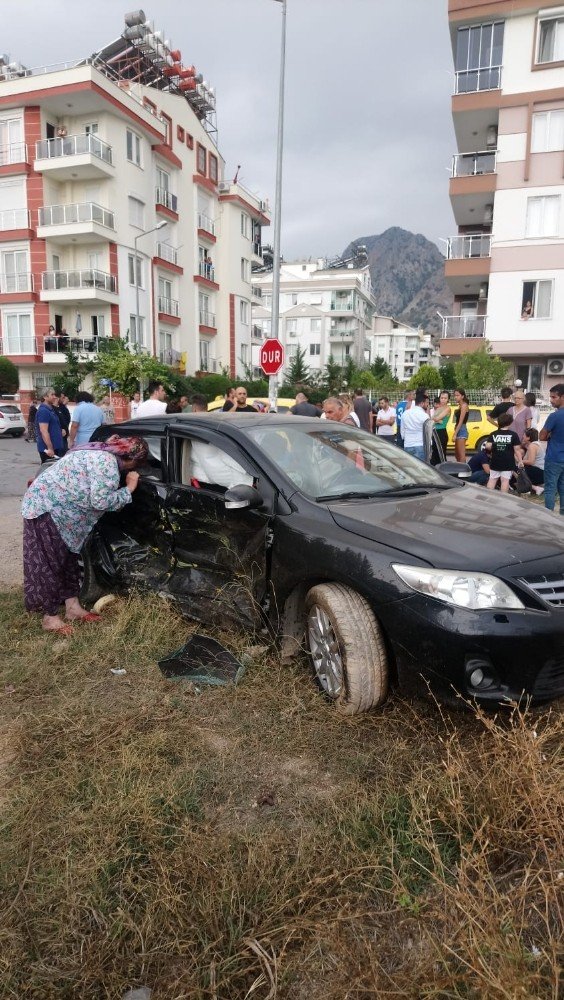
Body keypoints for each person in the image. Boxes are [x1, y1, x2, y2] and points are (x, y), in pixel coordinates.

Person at [21, 435, 148, 634]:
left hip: (63, 514)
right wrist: (129, 488)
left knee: (68, 561)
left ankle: (73, 608)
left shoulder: (99, 449)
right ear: (132, 460)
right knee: (51, 564)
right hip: (47, 510)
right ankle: (50, 618)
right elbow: (101, 501)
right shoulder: (107, 463)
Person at [540, 383, 564, 514]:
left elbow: (542, 436)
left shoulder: (554, 416)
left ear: (562, 397)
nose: (551, 400)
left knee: (550, 488)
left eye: (554, 397)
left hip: (554, 458)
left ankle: (548, 516)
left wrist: (550, 434)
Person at [486, 412, 523, 494]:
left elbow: (488, 446)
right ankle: (503, 498)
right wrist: (520, 461)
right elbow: (517, 450)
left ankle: (488, 496)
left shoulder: (493, 434)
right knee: (505, 481)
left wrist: (494, 447)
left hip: (495, 461)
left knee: (492, 479)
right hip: (508, 461)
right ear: (510, 423)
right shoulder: (513, 435)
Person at [36, 388, 65, 463]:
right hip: (48, 449)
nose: (55, 397)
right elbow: (44, 431)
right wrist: (50, 448)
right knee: (48, 472)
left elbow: (52, 425)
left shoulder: (50, 409)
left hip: (55, 447)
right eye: (52, 395)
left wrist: (60, 430)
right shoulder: (43, 411)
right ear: (45, 397)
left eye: (54, 394)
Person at [400, 389, 430, 461]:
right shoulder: (425, 416)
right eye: (427, 403)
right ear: (422, 403)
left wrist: (406, 439)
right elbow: (428, 432)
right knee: (421, 469)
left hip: (408, 445)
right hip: (421, 445)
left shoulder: (405, 413)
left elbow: (402, 430)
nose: (428, 405)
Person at [521, 427, 545, 494]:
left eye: (524, 435)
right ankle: (532, 487)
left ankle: (532, 487)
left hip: (539, 472)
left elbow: (531, 462)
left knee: (516, 469)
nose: (523, 436)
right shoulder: (535, 444)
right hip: (540, 471)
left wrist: (520, 461)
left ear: (528, 438)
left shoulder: (533, 446)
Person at [452, 388, 470, 463]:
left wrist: (455, 434)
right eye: (455, 395)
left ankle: (464, 472)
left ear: (462, 396)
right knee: (457, 454)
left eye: (457, 395)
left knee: (461, 455)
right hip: (458, 428)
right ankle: (460, 469)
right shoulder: (460, 405)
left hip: (461, 429)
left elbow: (461, 421)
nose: (455, 397)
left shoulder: (464, 405)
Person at [432, 391, 451, 457]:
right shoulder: (439, 408)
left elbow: (436, 419)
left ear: (448, 399)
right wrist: (438, 420)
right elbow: (433, 418)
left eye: (445, 398)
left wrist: (437, 420)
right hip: (435, 432)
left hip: (441, 433)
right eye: (442, 398)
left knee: (441, 455)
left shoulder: (448, 408)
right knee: (434, 454)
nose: (443, 400)